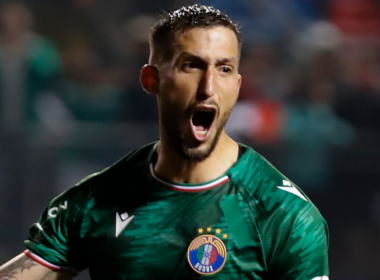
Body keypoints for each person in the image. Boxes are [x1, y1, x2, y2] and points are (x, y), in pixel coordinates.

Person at [0, 4, 329, 280]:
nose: (209, 87)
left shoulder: (285, 215)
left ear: (238, 85)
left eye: (224, 69)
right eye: (192, 66)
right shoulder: (94, 201)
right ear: (151, 79)